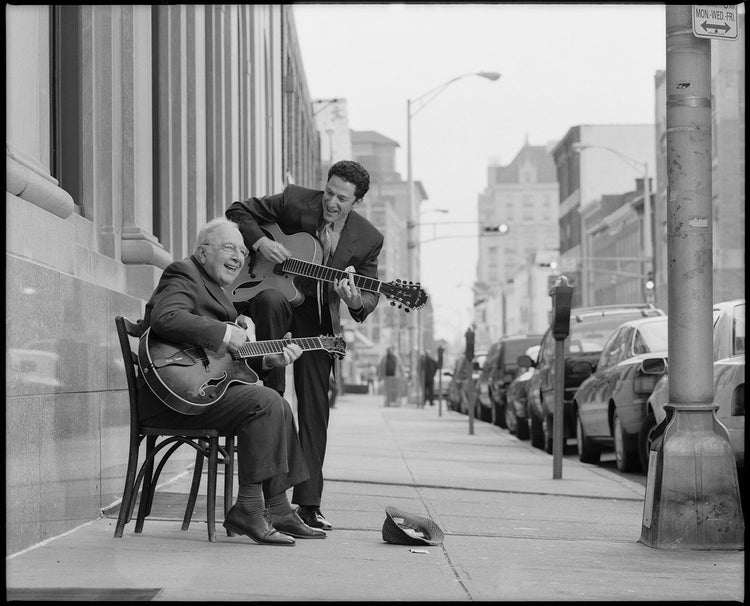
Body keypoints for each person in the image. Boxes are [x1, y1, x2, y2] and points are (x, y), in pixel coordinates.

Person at [137, 217, 326, 546]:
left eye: (242, 251)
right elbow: (165, 317)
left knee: (275, 402)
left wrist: (269, 360)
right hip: (171, 400)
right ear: (203, 251)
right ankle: (250, 509)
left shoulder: (219, 293)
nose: (239, 257)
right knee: (266, 402)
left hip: (200, 393)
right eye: (229, 248)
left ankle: (278, 508)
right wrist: (226, 331)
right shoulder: (184, 272)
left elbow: (227, 363)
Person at [226, 160, 383, 531]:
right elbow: (238, 211)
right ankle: (271, 399)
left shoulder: (368, 238)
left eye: (341, 199)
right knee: (271, 305)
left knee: (315, 408)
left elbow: (369, 295)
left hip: (318, 322)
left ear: (356, 201)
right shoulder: (297, 201)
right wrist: (262, 241)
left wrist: (354, 299)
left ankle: (308, 504)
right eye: (329, 192)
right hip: (275, 305)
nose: (331, 202)